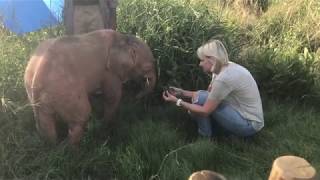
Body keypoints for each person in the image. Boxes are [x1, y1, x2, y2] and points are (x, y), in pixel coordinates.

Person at [163, 40, 264, 137]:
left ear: (212, 60)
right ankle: (215, 131)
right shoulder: (222, 69)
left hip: (249, 124)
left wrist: (178, 101)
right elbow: (209, 95)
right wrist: (182, 92)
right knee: (200, 98)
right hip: (241, 114)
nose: (200, 64)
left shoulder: (224, 78)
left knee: (200, 100)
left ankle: (204, 136)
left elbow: (205, 110)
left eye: (202, 60)